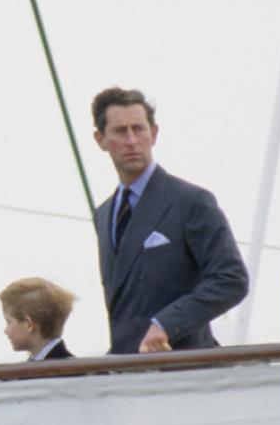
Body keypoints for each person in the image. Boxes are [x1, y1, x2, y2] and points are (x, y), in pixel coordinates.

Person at [89, 86, 249, 354]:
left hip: (181, 366)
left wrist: (165, 323)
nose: (131, 140)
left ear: (154, 133)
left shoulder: (191, 201)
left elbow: (231, 279)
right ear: (101, 139)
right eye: (120, 131)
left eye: (138, 129)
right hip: (125, 367)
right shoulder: (104, 214)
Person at [0, 277, 76, 361]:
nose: (5, 331)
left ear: (29, 325)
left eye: (9, 322)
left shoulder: (67, 371)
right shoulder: (69, 365)